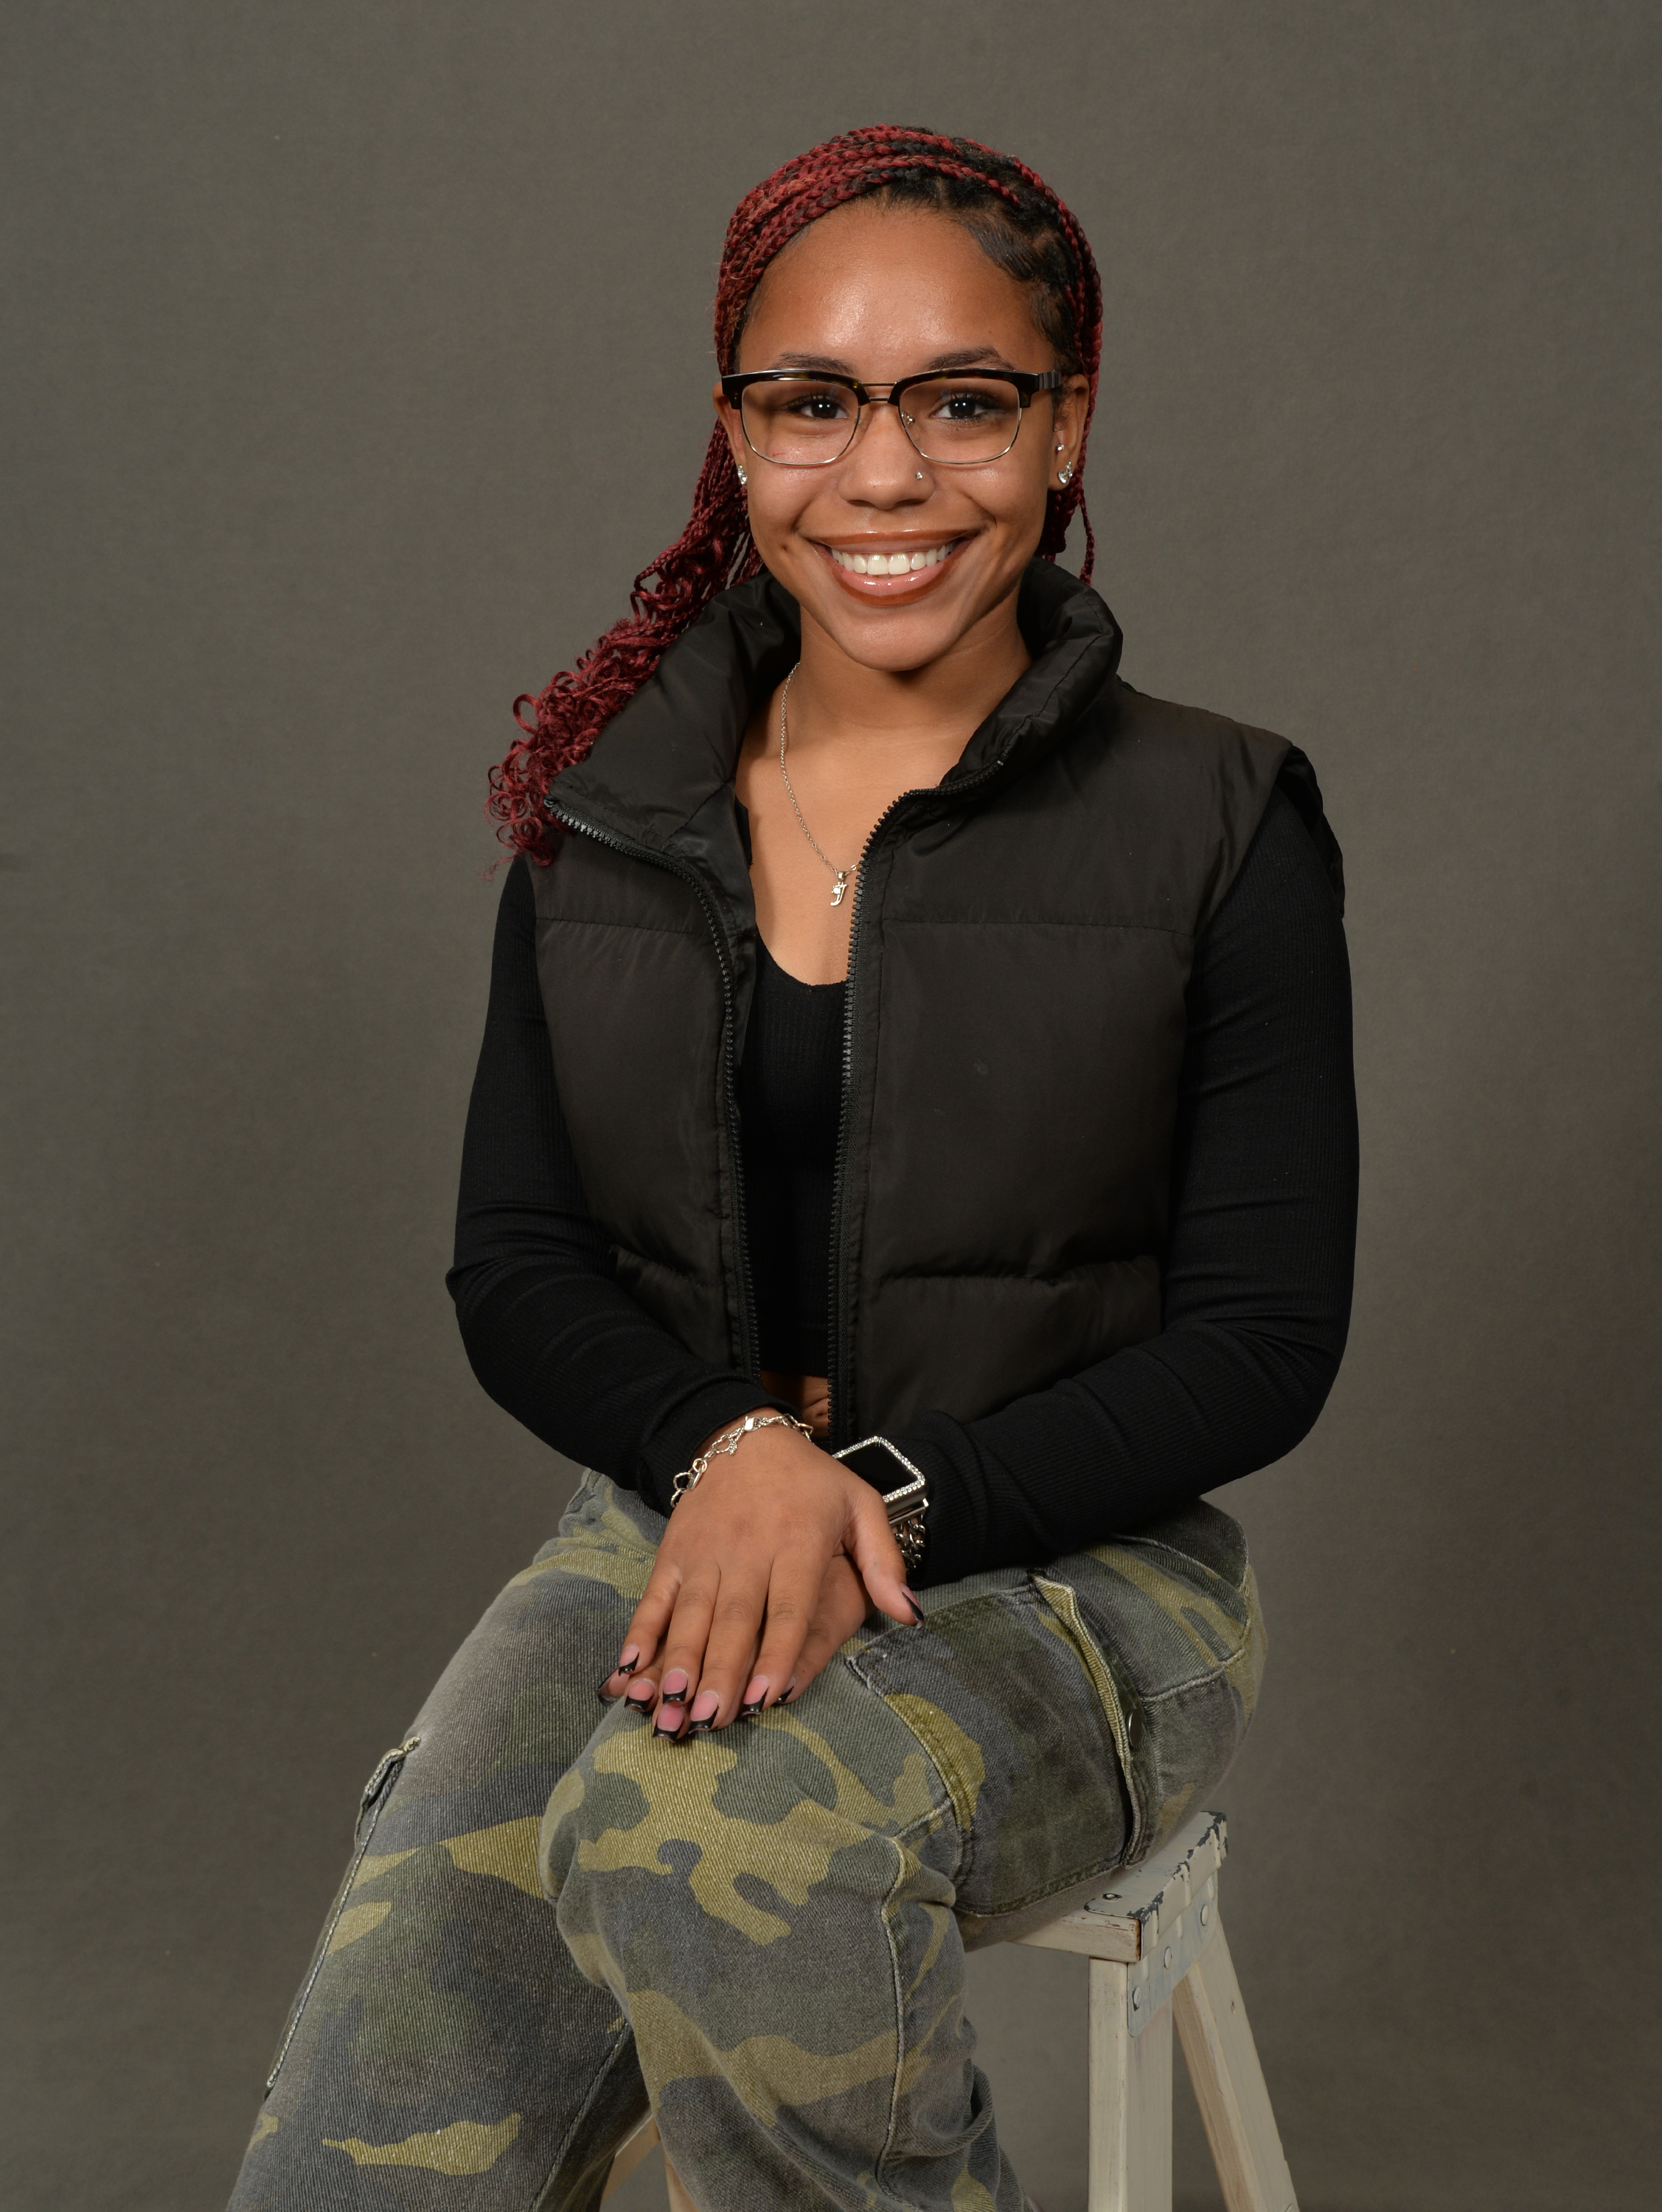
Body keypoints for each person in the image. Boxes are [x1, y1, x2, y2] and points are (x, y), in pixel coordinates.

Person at [229, 124, 1357, 2212]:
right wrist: (733, 1451)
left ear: (1067, 421)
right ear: (737, 432)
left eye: (965, 401)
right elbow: (518, 1262)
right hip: (680, 1523)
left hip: (1073, 1574)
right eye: (815, 403)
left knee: (695, 1841)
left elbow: (1265, 1342)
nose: (887, 474)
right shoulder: (607, 808)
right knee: (366, 2134)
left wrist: (879, 1497)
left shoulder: (1221, 818)